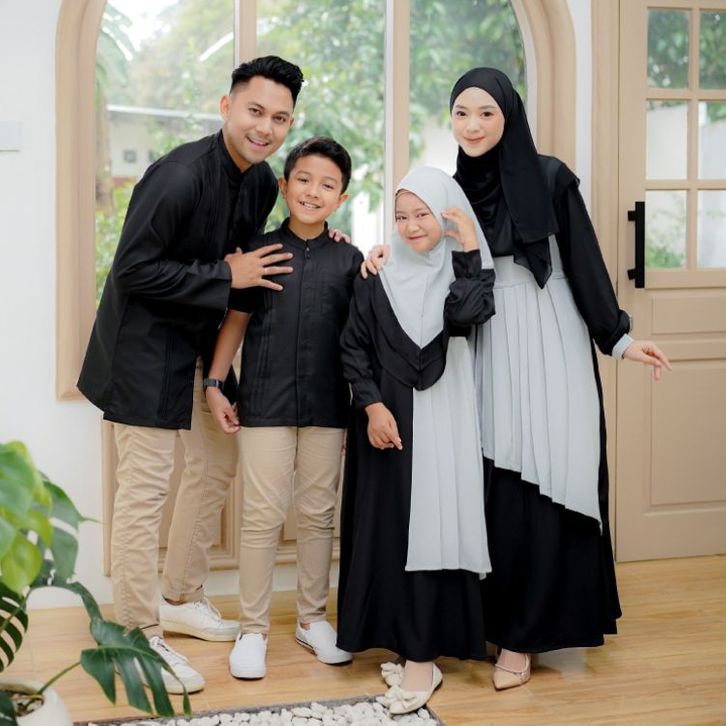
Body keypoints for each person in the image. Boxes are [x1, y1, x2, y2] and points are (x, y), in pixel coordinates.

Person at [365, 67, 671, 691]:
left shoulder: (552, 178)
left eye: (486, 112)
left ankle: (524, 638)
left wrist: (617, 337)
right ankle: (489, 623)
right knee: (490, 485)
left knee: (546, 477)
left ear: (509, 115)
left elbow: (583, 262)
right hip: (479, 339)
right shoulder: (450, 189)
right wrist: (380, 254)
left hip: (547, 333)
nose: (472, 125)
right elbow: (422, 245)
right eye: (461, 113)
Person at [77, 56, 306, 694]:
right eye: (255, 110)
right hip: (143, 349)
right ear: (226, 106)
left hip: (203, 348)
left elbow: (253, 261)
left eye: (279, 117)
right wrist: (224, 274)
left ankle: (179, 596)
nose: (265, 127)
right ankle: (136, 636)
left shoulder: (261, 185)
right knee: (144, 492)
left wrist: (321, 239)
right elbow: (132, 270)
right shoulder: (177, 176)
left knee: (216, 465)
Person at [337, 166, 496, 715]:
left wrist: (469, 247)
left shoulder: (462, 273)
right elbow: (353, 347)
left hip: (445, 417)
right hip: (387, 420)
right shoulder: (377, 274)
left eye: (423, 214)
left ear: (446, 215)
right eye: (401, 216)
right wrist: (372, 405)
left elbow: (469, 314)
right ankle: (404, 644)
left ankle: (424, 659)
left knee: (434, 525)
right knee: (392, 528)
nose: (410, 227)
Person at [204, 136, 363, 680]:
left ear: (341, 197)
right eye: (304, 180)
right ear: (284, 184)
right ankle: (252, 630)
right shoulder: (261, 251)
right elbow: (236, 321)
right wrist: (215, 382)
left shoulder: (349, 259)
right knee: (261, 518)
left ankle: (312, 620)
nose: (313, 192)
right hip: (264, 406)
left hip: (328, 407)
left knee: (318, 516)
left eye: (327, 185)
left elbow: (359, 339)